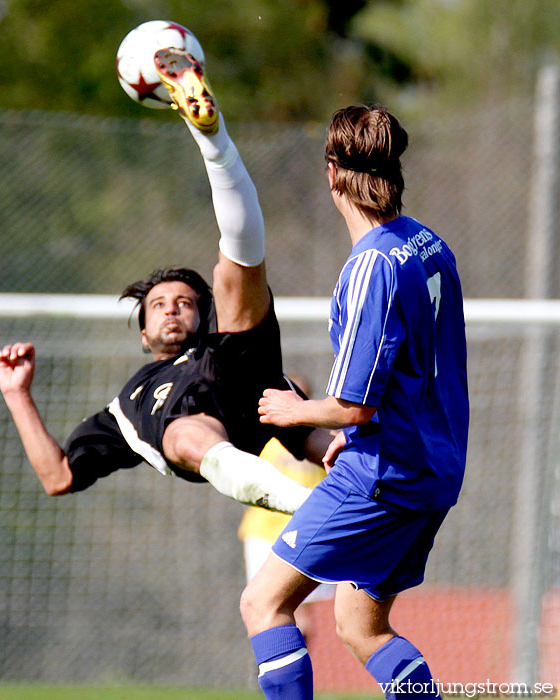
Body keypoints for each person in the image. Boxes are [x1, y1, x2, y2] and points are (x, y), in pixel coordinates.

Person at [0, 48, 330, 515]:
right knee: (183, 433)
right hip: (199, 433)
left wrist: (350, 464)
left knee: (231, 269)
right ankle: (313, 511)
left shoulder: (214, 335)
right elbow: (58, 477)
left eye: (184, 303)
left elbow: (316, 439)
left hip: (235, 368)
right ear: (142, 334)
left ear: (200, 314)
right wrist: (17, 394)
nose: (172, 307)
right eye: (158, 304)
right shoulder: (125, 408)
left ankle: (211, 137)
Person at [241, 105, 469, 700]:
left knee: (263, 603)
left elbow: (353, 406)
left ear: (331, 172)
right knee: (359, 624)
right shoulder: (427, 243)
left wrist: (294, 410)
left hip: (381, 475)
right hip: (432, 469)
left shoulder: (370, 265)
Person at [237, 374, 334, 639]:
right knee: (262, 606)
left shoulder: (322, 439)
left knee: (301, 614)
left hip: (307, 532)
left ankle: (293, 672)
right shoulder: (261, 434)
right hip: (264, 533)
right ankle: (268, 672)